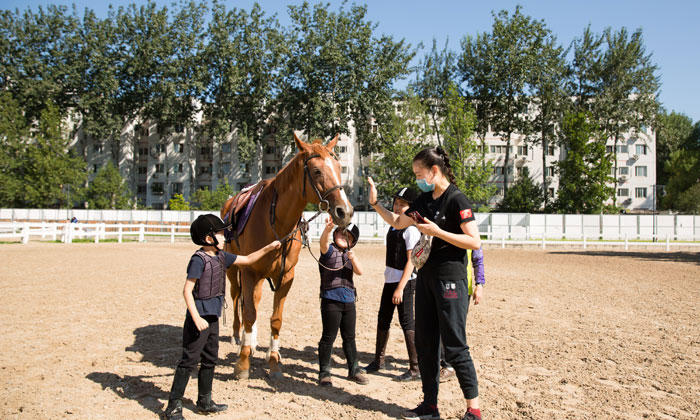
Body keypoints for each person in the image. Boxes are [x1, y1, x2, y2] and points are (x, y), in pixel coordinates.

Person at [367, 146, 484, 420]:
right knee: (426, 344)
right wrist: (375, 204)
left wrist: (438, 232)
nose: (417, 178)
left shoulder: (457, 200)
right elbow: (398, 222)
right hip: (426, 278)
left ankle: (474, 411)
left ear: (434, 171)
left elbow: (474, 241)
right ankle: (430, 406)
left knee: (455, 347)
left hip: (451, 279)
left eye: (419, 174)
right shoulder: (423, 199)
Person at [164, 214, 281, 420]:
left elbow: (247, 259)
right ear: (208, 239)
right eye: (220, 233)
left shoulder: (222, 256)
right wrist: (196, 317)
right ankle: (173, 407)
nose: (225, 236)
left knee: (210, 359)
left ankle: (205, 401)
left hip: (213, 316)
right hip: (198, 318)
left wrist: (268, 248)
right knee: (188, 361)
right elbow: (187, 290)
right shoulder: (198, 260)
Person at [364, 187, 422, 382]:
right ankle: (378, 360)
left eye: (402, 205)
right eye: (396, 204)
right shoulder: (393, 226)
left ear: (411, 208)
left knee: (407, 323)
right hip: (390, 279)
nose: (397, 208)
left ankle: (415, 367)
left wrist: (400, 287)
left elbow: (411, 261)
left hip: (404, 282)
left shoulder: (411, 230)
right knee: (383, 319)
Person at [317, 218, 369, 387]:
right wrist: (327, 229)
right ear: (335, 233)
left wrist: (353, 258)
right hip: (331, 300)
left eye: (349, 237)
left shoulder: (350, 255)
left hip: (349, 300)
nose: (344, 237)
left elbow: (360, 271)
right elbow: (323, 243)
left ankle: (354, 369)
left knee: (349, 337)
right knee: (328, 336)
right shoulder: (329, 251)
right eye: (341, 233)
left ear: (352, 242)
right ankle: (324, 372)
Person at [440, 247, 485, 383]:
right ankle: (442, 361)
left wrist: (480, 284)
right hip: (442, 283)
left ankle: (450, 366)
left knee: (453, 328)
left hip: (462, 288)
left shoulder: (469, 235)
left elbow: (478, 260)